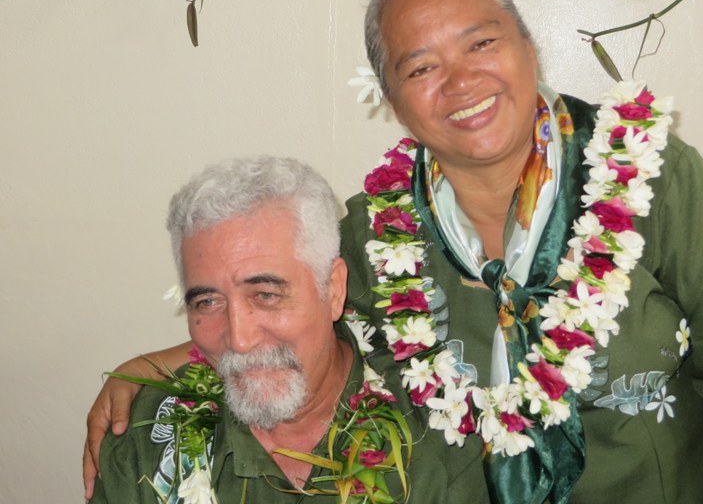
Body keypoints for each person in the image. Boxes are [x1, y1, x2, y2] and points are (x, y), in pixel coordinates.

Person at [85, 0, 703, 504]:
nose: (461, 81)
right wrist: (156, 366)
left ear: (528, 46)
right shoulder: (375, 232)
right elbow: (281, 307)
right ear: (391, 99)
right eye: (421, 67)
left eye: (481, 43)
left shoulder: (648, 177)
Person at [89, 155, 490, 504]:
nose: (240, 340)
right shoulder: (144, 438)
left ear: (333, 290)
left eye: (265, 294)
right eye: (207, 302)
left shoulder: (436, 439)